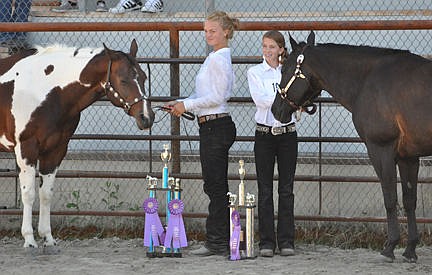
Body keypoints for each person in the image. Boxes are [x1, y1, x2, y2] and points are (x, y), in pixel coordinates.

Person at [165, 11, 239, 256]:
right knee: (214, 184)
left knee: (215, 185)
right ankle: (220, 238)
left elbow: (218, 97)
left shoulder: (219, 59)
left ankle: (218, 241)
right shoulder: (215, 57)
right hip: (210, 125)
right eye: (206, 31)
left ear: (225, 32)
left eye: (213, 31)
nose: (208, 35)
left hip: (215, 126)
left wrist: (186, 105)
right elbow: (205, 95)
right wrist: (183, 102)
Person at [247, 30, 297, 257]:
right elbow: (261, 100)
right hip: (265, 134)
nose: (267, 50)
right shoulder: (255, 72)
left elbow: (299, 96)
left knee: (286, 189)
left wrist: (292, 102)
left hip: (287, 134)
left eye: (271, 47)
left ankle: (286, 241)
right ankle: (267, 242)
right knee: (265, 189)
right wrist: (289, 101)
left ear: (281, 50)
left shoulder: (289, 71)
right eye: (264, 46)